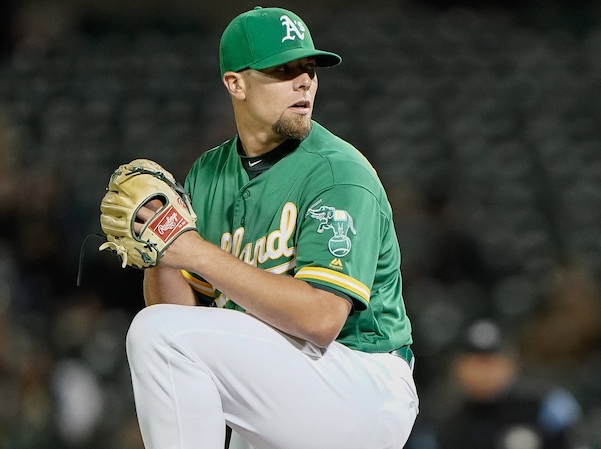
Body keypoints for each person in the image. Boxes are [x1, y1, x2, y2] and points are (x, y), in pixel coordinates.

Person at [122, 6, 418, 449]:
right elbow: (180, 315)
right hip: (287, 383)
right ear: (235, 83)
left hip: (359, 381)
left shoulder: (338, 172)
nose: (304, 82)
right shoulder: (209, 173)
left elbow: (321, 319)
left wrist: (193, 250)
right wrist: (160, 248)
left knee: (154, 334)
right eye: (283, 70)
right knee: (163, 330)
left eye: (309, 69)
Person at [434, 319, 582, 449]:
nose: (483, 372)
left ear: (510, 364)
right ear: (458, 367)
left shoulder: (545, 405)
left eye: (490, 362)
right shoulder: (444, 417)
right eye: (476, 362)